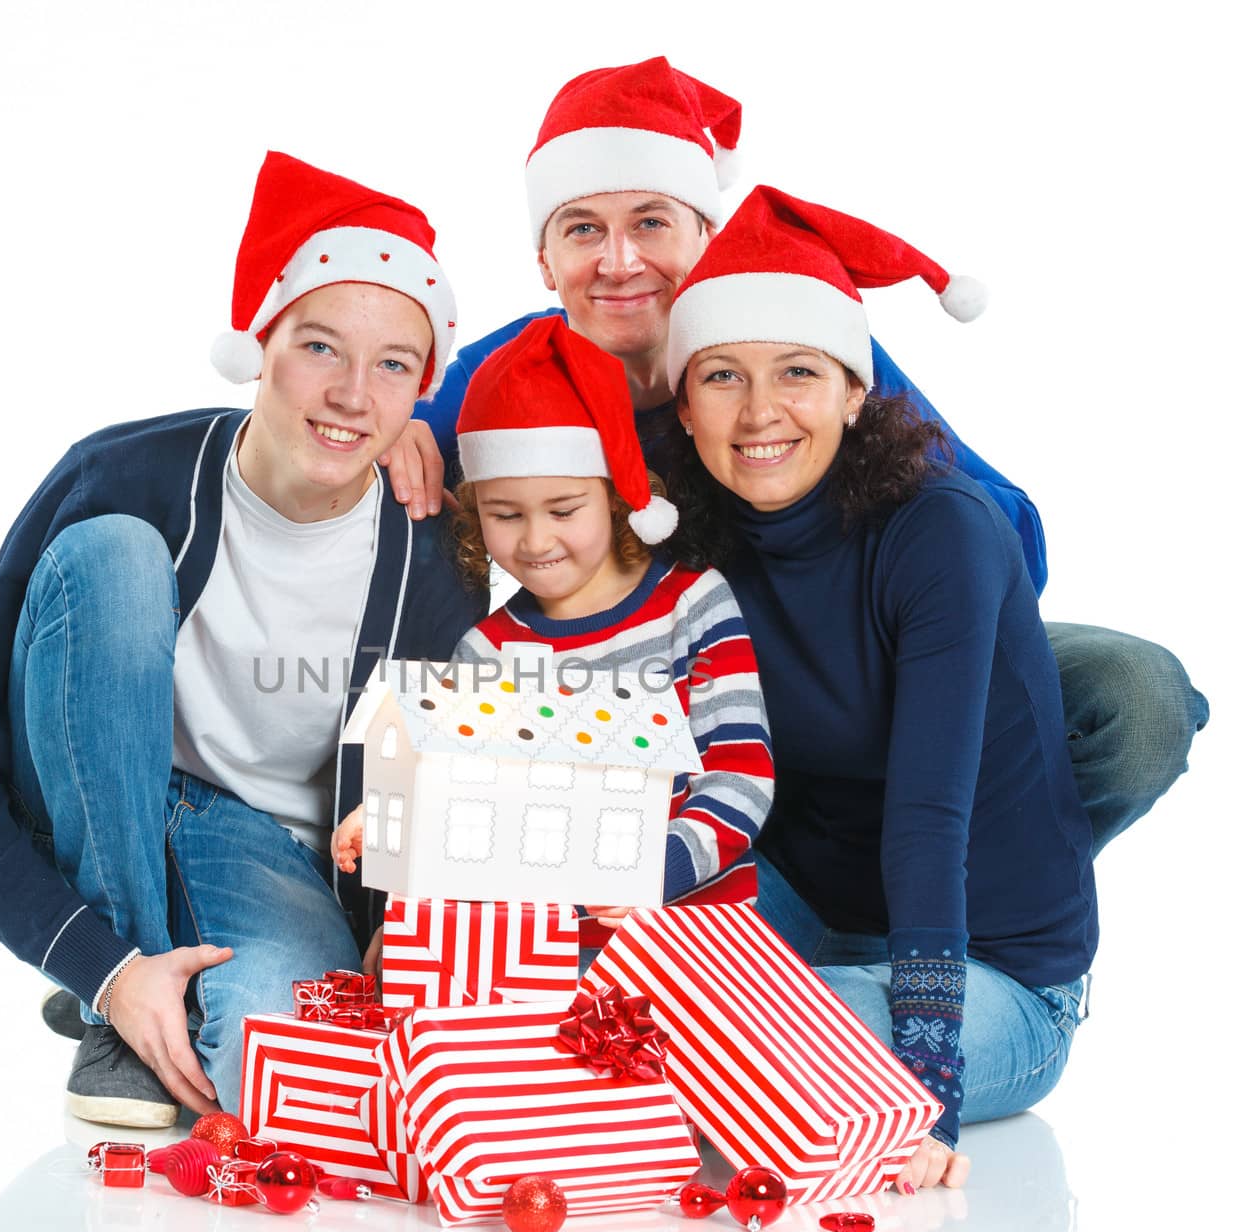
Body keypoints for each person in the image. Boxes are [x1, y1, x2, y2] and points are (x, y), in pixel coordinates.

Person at [383, 56, 1206, 859]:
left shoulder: (794, 331)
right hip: (681, 717)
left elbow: (1012, 544)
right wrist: (404, 426)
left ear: (707, 236)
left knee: (1135, 698)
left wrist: (896, 572)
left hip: (885, 667)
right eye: (583, 229)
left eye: (651, 223)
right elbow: (367, 442)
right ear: (545, 260)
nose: (620, 260)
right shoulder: (500, 380)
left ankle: (993, 900)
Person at [0, 152, 485, 1127]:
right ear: (260, 342)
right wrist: (101, 961)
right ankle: (120, 991)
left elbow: (454, 767)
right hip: (104, 788)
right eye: (320, 347)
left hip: (275, 857)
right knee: (116, 560)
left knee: (300, 1087)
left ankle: (179, 970)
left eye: (391, 364)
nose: (350, 393)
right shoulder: (121, 473)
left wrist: (400, 916)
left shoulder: (428, 547)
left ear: (421, 387)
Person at [662, 184, 1100, 1192]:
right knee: (597, 988)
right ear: (683, 405)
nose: (759, 410)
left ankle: (828, 1030)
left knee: (728, 1054)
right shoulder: (693, 531)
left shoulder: (939, 527)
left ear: (856, 389)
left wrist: (926, 1079)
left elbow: (929, 818)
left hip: (993, 964)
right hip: (809, 897)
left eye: (798, 372)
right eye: (722, 375)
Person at [330, 316, 774, 965]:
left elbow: (741, 774)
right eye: (505, 515)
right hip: (541, 958)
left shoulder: (694, 606)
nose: (535, 542)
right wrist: (397, 827)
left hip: (693, 941)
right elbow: (463, 803)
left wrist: (661, 866)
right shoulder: (487, 651)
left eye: (564, 511)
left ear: (621, 498)